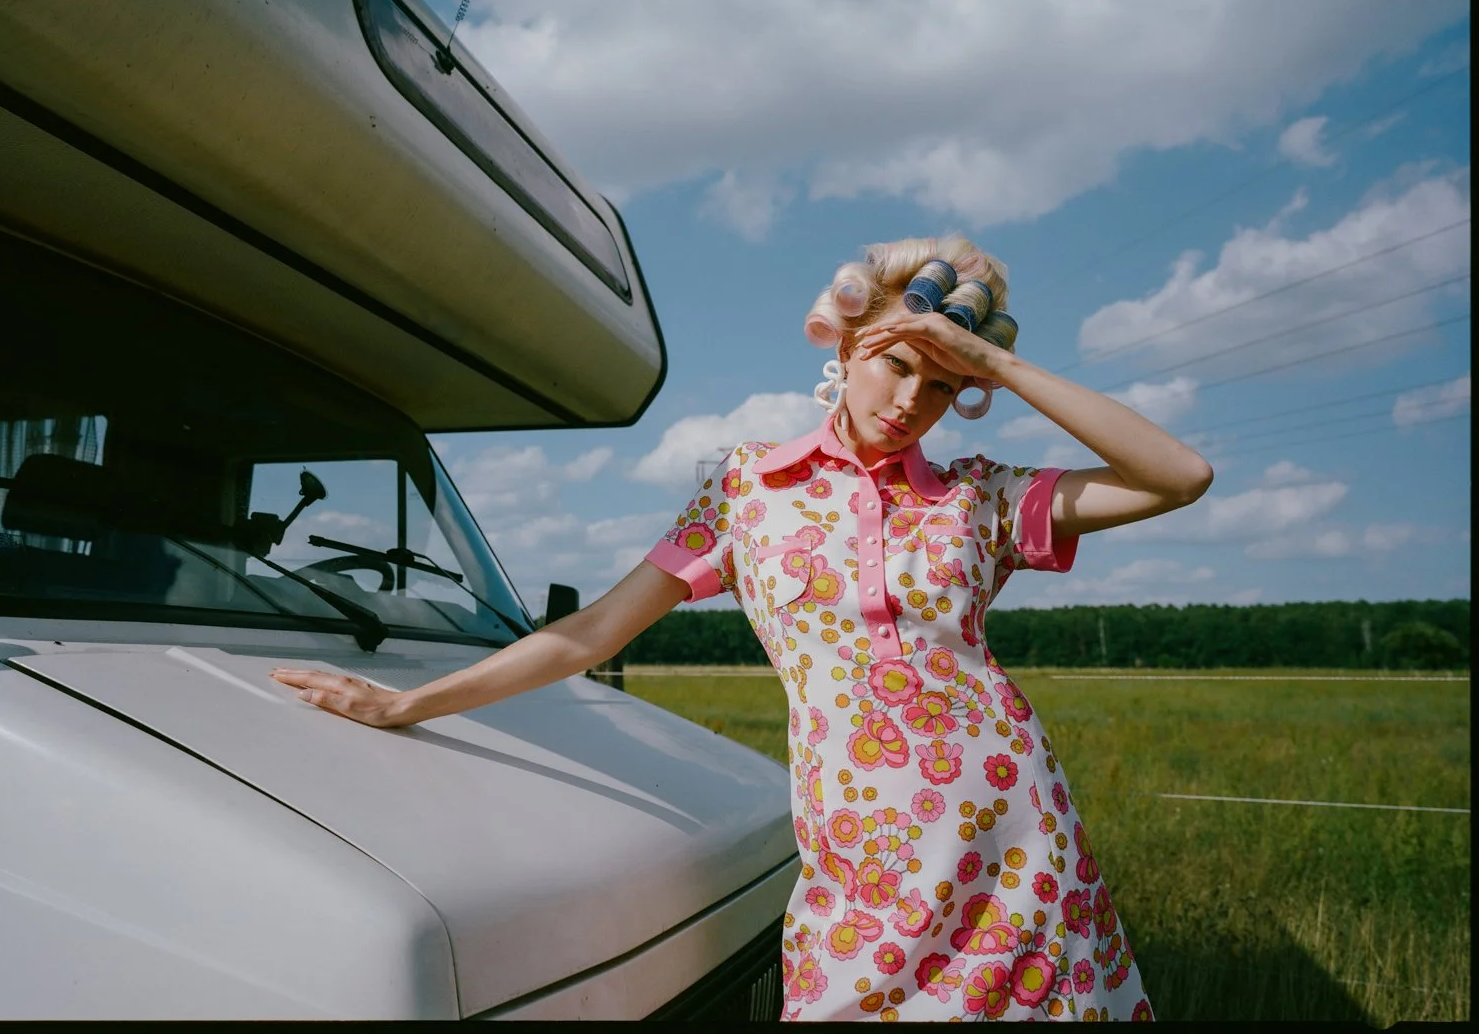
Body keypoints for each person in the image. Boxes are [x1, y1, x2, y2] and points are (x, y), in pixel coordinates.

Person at [271, 234, 1212, 1022]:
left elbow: (1177, 475)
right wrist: (409, 704)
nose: (909, 402)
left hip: (1016, 838)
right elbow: (594, 632)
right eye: (895, 365)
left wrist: (995, 362)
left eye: (939, 385)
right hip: (861, 846)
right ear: (845, 351)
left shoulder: (978, 497)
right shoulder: (746, 488)